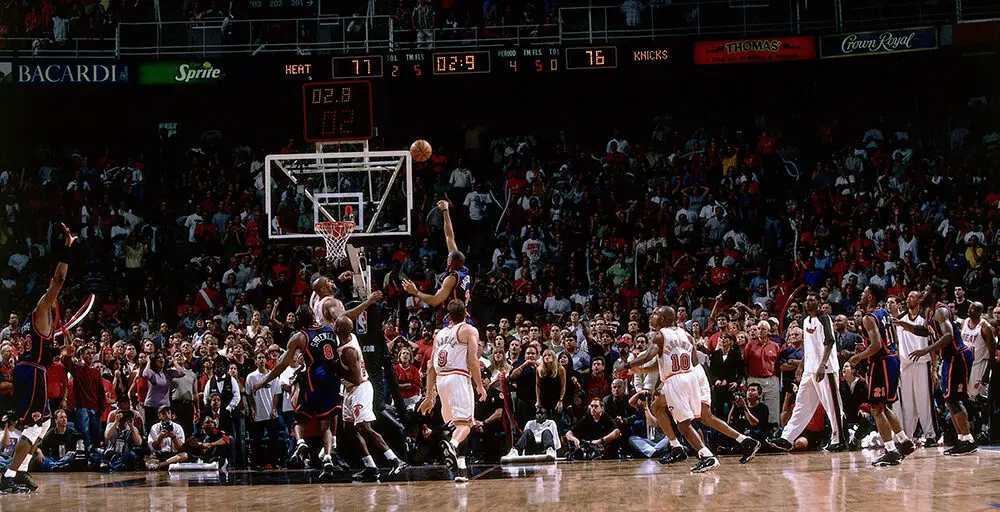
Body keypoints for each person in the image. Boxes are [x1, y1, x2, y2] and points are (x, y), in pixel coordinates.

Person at [626, 306, 759, 472]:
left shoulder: (659, 336)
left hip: (680, 378)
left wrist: (628, 365)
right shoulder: (686, 334)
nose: (651, 316)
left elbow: (650, 356)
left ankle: (704, 455)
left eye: (654, 314)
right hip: (694, 374)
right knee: (690, 413)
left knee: (685, 422)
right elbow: (690, 361)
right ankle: (745, 441)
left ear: (661, 319)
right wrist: (644, 370)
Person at [1, 223, 75, 494]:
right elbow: (59, 280)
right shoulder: (43, 306)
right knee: (34, 422)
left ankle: (19, 472)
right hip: (32, 372)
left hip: (31, 368)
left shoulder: (35, 319)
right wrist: (66, 248)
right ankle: (8, 475)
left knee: (43, 423)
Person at [253, 305, 351, 479]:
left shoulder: (300, 337)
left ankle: (300, 443)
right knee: (325, 424)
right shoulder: (329, 328)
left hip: (316, 379)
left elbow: (282, 365)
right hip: (334, 378)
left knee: (299, 418)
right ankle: (328, 457)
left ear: (298, 320)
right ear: (313, 315)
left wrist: (263, 381)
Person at [895, 283, 977, 455]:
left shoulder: (940, 310)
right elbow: (923, 331)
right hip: (949, 358)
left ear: (934, 295)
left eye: (926, 291)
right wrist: (904, 325)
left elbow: (948, 336)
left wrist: (926, 350)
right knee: (949, 400)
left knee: (954, 399)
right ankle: (961, 439)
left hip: (957, 356)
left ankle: (968, 439)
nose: (923, 293)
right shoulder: (930, 312)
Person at [417, 300, 487, 483]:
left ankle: (461, 471)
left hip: (441, 382)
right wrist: (479, 385)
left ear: (448, 316)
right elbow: (472, 360)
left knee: (456, 426)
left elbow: (430, 367)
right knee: (466, 424)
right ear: (466, 314)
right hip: (458, 377)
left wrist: (429, 395)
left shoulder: (439, 334)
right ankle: (453, 446)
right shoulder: (469, 330)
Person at [768, 291, 845, 451]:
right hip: (810, 370)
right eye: (806, 300)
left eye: (811, 300)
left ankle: (839, 439)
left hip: (826, 369)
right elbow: (809, 347)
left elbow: (830, 341)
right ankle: (787, 438)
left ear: (818, 302)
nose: (807, 303)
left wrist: (823, 365)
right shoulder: (805, 320)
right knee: (801, 404)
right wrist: (802, 366)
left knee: (832, 405)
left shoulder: (824, 318)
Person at [847, 284, 914, 466]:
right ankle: (905, 441)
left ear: (870, 297)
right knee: (883, 406)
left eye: (865, 292)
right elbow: (889, 339)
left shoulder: (869, 318)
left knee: (876, 408)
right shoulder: (884, 313)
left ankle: (891, 451)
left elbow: (876, 345)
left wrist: (857, 357)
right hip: (891, 359)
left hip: (881, 363)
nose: (862, 293)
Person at [334, 316, 407, 482]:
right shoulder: (349, 337)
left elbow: (356, 379)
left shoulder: (349, 352)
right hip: (348, 390)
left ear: (339, 330)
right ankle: (370, 467)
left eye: (335, 325)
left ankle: (395, 460)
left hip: (360, 388)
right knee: (350, 429)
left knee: (364, 427)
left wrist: (335, 368)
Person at [402, 201, 473, 326]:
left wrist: (415, 292)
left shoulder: (451, 278)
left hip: (456, 321)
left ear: (450, 261)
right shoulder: (463, 268)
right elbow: (449, 236)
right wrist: (445, 211)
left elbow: (435, 301)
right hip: (464, 316)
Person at [892, 292, 936, 445]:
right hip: (905, 364)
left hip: (922, 363)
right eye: (908, 296)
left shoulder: (924, 319)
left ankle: (930, 435)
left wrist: (934, 369)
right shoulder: (901, 319)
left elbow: (933, 345)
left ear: (919, 300)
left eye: (912, 297)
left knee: (924, 401)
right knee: (908, 404)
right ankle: (908, 437)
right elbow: (897, 343)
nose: (908, 299)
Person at [962, 301, 995, 435]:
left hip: (980, 366)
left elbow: (992, 353)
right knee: (966, 397)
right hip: (966, 365)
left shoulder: (985, 327)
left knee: (981, 398)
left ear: (980, 312)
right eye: (970, 307)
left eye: (974, 309)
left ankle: (985, 428)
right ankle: (971, 425)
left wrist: (987, 373)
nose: (970, 310)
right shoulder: (965, 322)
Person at [146, 405, 189, 470]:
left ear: (171, 414)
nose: (166, 415)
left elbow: (180, 448)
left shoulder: (178, 427)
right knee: (148, 460)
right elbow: (154, 448)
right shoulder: (154, 427)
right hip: (159, 455)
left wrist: (173, 437)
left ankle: (160, 465)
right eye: (163, 413)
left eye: (168, 413)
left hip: (173, 456)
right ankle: (166, 464)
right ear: (159, 415)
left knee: (184, 455)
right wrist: (160, 438)